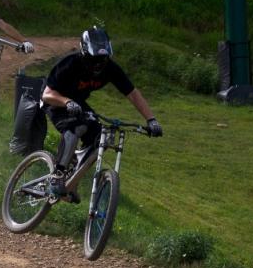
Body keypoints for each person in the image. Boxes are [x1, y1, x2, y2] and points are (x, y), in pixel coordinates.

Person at [40, 26, 162, 203]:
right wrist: (67, 102)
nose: (98, 65)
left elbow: (133, 93)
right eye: (94, 60)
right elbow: (46, 94)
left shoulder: (110, 68)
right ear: (84, 53)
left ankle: (71, 182)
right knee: (77, 126)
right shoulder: (69, 64)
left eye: (102, 60)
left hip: (78, 104)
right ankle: (57, 176)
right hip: (55, 100)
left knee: (101, 138)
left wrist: (151, 119)